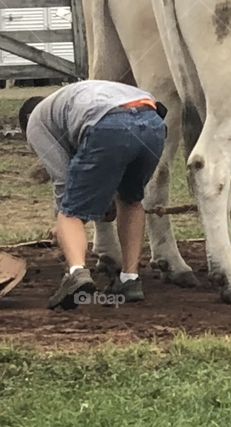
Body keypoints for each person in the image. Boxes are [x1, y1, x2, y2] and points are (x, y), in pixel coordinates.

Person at [19, 80, 167, 310]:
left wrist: (63, 224)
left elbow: (63, 181)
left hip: (108, 123)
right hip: (152, 120)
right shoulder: (68, 102)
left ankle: (77, 274)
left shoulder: (36, 122)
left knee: (70, 212)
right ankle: (130, 280)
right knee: (131, 199)